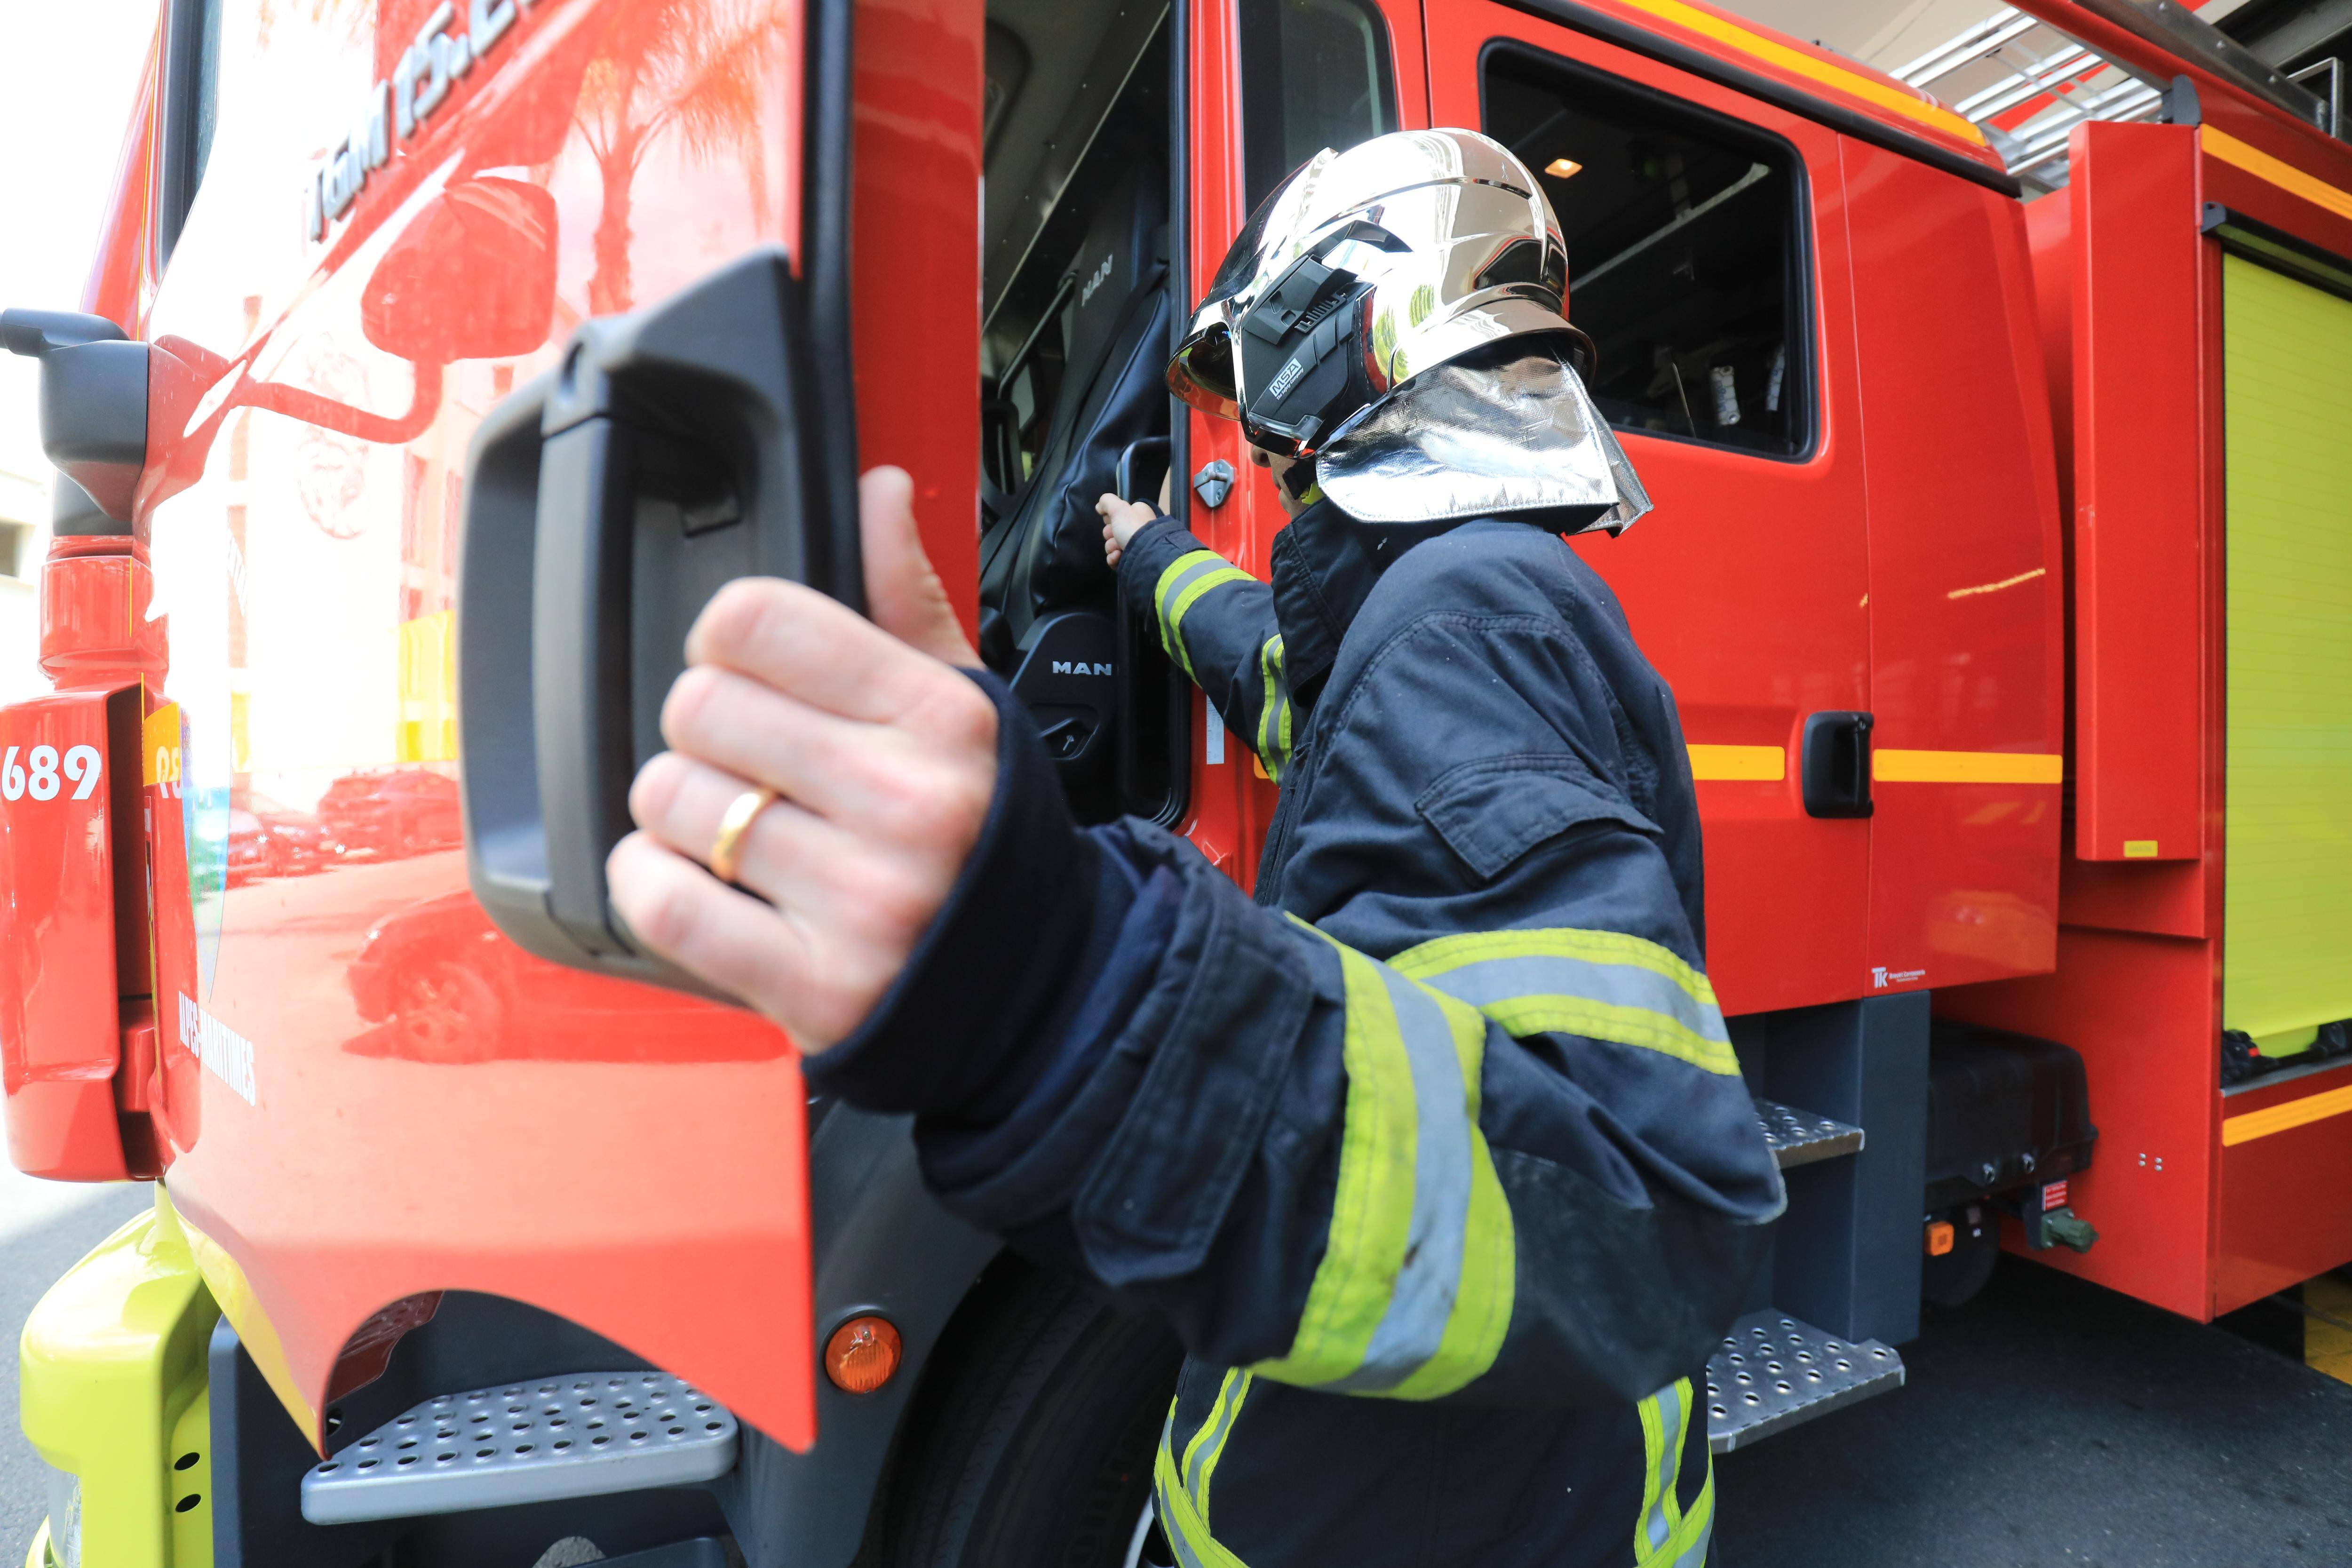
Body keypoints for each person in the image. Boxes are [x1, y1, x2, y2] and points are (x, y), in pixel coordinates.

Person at [608, 130, 1782, 1567]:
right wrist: (1147, 554)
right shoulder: (1457, 604)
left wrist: (1069, 1002)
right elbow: (1302, 694)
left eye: (1276, 366)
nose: (1271, 441)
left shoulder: (1464, 621)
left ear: (1364, 334)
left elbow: (1640, 1205)